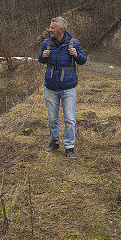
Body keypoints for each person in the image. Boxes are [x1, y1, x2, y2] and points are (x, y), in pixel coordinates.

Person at [38, 17, 87, 158]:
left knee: (69, 119)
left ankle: (69, 146)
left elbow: (83, 60)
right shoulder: (46, 43)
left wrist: (76, 54)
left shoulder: (74, 43)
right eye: (50, 27)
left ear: (61, 29)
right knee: (52, 118)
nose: (49, 30)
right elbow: (40, 59)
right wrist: (43, 55)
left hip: (68, 87)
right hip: (51, 87)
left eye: (52, 28)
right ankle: (54, 142)